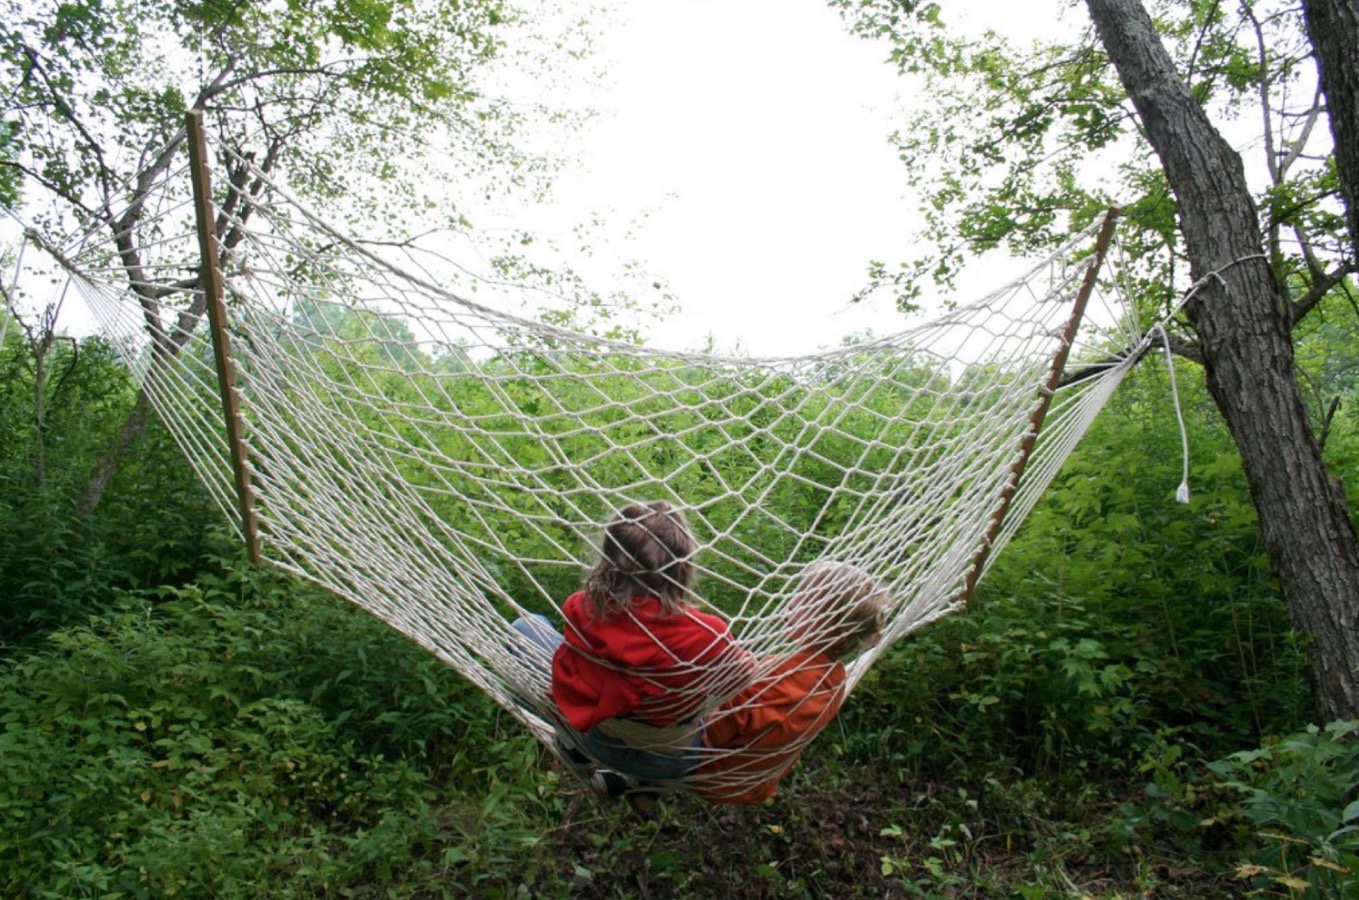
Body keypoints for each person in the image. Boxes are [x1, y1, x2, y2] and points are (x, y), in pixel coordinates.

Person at [546, 500, 749, 782]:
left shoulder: (580, 607)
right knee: (705, 703)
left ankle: (574, 747)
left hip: (595, 738)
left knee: (527, 627)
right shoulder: (708, 634)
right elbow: (743, 677)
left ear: (608, 562)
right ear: (682, 568)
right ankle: (640, 785)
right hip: (667, 760)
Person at [689, 561, 886, 805]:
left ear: (836, 627)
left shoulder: (788, 674)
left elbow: (719, 730)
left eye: (806, 601)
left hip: (706, 769)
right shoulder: (834, 679)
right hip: (750, 783)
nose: (792, 603)